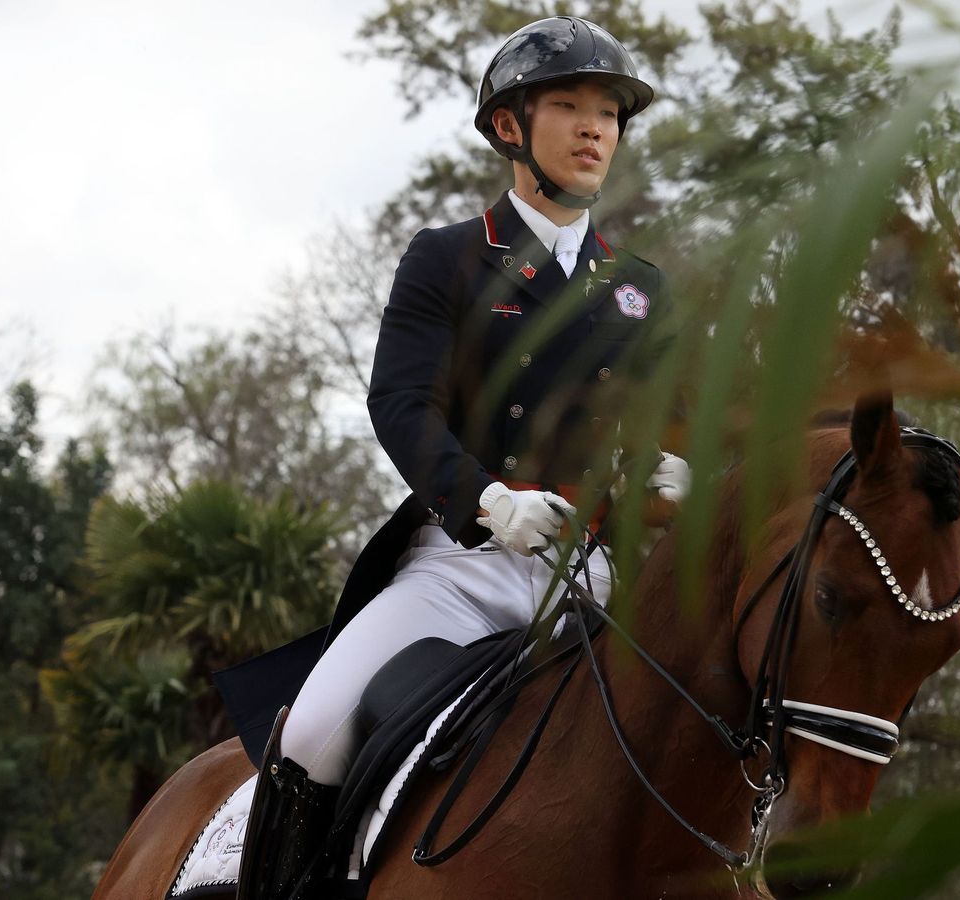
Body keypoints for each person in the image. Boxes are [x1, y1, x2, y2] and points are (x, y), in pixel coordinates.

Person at [235, 16, 690, 899]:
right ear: (511, 127)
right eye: (570, 105)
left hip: (596, 576)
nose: (597, 128)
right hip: (465, 564)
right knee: (312, 733)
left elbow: (663, 429)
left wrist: (675, 471)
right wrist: (490, 501)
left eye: (611, 112)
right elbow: (401, 405)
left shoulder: (641, 290)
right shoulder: (447, 259)